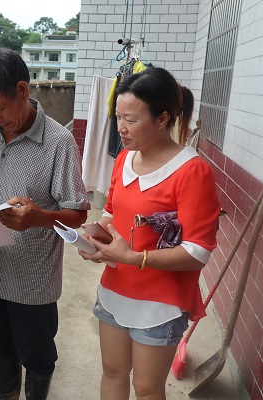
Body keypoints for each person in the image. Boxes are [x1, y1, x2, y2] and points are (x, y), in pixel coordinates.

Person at [0, 47, 90, 400]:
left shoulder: (58, 142)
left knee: (38, 359)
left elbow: (77, 213)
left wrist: (40, 217)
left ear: (22, 90)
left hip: (33, 280)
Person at [78, 67, 221, 400]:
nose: (121, 128)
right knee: (112, 372)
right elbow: (111, 215)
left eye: (131, 119)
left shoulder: (192, 171)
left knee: (146, 388)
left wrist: (134, 257)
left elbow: (197, 251)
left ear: (162, 119)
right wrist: (94, 240)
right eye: (118, 117)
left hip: (161, 303)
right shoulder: (124, 159)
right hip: (114, 290)